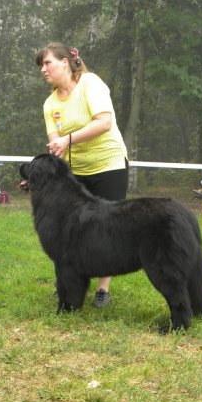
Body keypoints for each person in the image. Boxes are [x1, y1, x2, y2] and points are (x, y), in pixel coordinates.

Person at [36, 42, 129, 308]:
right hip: (76, 172)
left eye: (48, 63)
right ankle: (68, 284)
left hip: (109, 164)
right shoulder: (49, 104)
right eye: (41, 65)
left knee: (108, 228)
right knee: (69, 230)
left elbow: (104, 122)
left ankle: (103, 289)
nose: (43, 69)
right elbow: (56, 145)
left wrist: (68, 140)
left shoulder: (90, 83)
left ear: (65, 62)